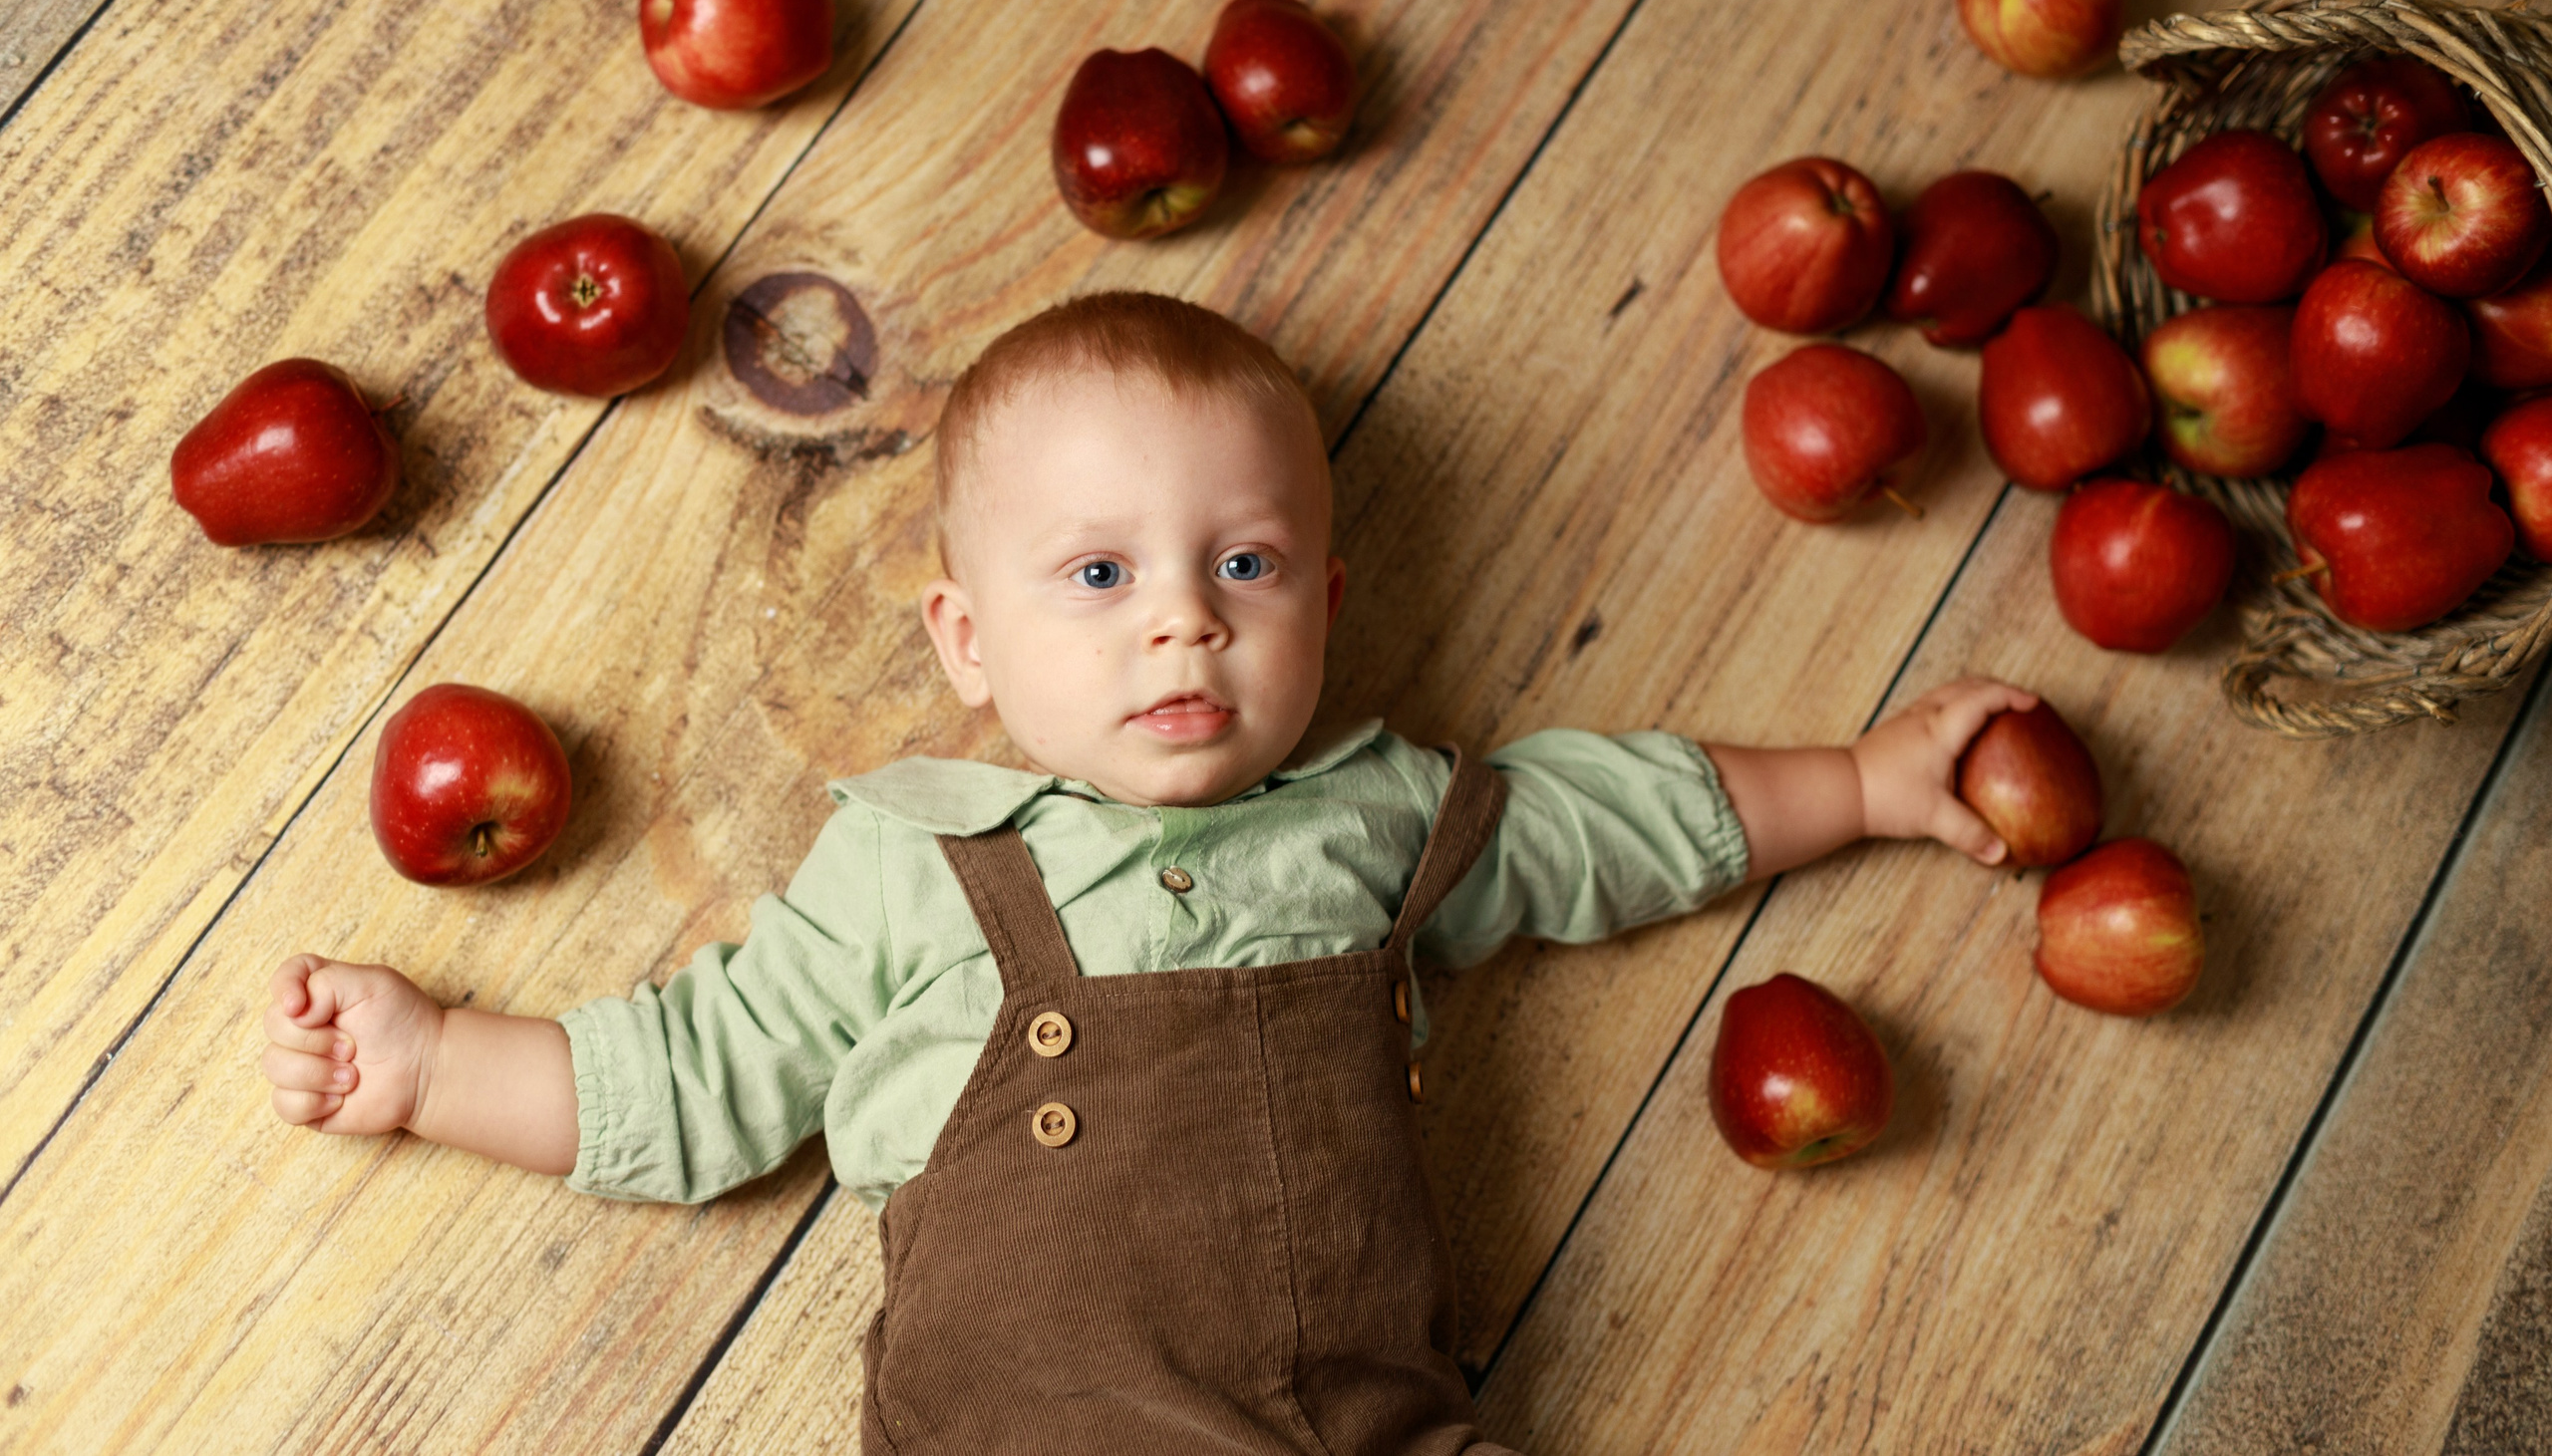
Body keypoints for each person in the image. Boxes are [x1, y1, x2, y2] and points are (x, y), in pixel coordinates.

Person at [262, 291, 2034, 1454]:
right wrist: (431, 1067)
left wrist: (1866, 783)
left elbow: (1613, 819)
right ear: (969, 639)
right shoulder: (918, 859)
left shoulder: (1379, 813)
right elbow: (701, 1072)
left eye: (1245, 562)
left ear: (1325, 612)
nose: (1185, 611)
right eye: (1098, 578)